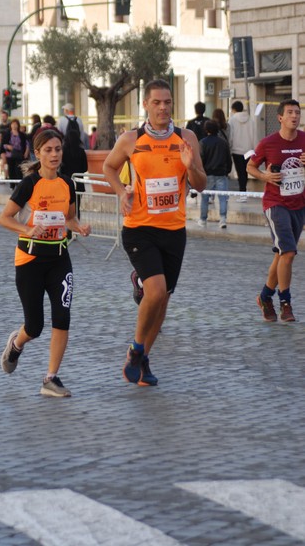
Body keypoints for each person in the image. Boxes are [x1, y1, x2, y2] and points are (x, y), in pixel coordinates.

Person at [103, 79, 206, 387]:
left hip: (174, 230)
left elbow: (200, 184)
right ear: (145, 105)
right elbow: (109, 167)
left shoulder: (186, 138)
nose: (163, 107)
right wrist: (122, 191)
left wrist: (190, 167)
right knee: (157, 291)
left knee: (163, 301)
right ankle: (135, 349)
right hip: (139, 227)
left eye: (168, 102)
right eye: (157, 102)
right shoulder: (131, 139)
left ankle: (143, 360)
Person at [0, 129, 91, 397]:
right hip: (30, 260)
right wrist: (27, 230)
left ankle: (50, 378)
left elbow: (69, 218)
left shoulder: (67, 184)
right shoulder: (29, 184)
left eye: (58, 149)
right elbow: (5, 218)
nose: (54, 154)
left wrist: (80, 227)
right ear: (37, 153)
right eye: (48, 150)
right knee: (35, 326)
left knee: (62, 317)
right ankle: (16, 344)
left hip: (59, 259)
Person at [247, 98, 305, 323]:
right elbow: (250, 166)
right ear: (280, 117)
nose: (294, 116)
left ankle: (264, 297)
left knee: (282, 254)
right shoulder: (268, 143)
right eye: (290, 112)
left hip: (299, 204)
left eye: (297, 113)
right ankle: (285, 302)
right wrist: (265, 176)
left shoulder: (304, 140)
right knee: (289, 252)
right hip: (275, 203)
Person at [198, 120, 232, 229]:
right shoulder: (223, 142)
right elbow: (228, 158)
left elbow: (200, 159)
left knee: (204, 198)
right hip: (221, 173)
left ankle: (203, 219)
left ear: (206, 129)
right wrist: (227, 171)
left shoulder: (203, 142)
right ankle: (222, 219)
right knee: (223, 198)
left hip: (207, 174)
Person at [228, 100, 255, 202]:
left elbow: (231, 136)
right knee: (246, 172)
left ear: (234, 109)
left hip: (236, 150)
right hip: (248, 150)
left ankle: (242, 194)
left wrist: (230, 148)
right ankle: (244, 192)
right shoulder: (250, 120)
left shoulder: (232, 120)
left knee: (240, 173)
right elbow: (254, 135)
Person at [60, 127, 88, 219]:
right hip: (79, 182)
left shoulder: (63, 151)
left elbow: (61, 167)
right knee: (77, 207)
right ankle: (75, 229)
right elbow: (85, 168)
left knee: (65, 207)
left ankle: (67, 230)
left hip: (65, 182)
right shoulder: (81, 151)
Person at [0, 118, 28, 187]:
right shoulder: (7, 134)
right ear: (11, 125)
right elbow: (3, 144)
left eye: (16, 124)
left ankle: (19, 184)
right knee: (11, 169)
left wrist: (26, 152)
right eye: (13, 124)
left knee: (18, 170)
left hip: (19, 154)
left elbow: (26, 144)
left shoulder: (22, 135)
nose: (14, 126)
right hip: (10, 155)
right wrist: (8, 147)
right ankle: (12, 185)